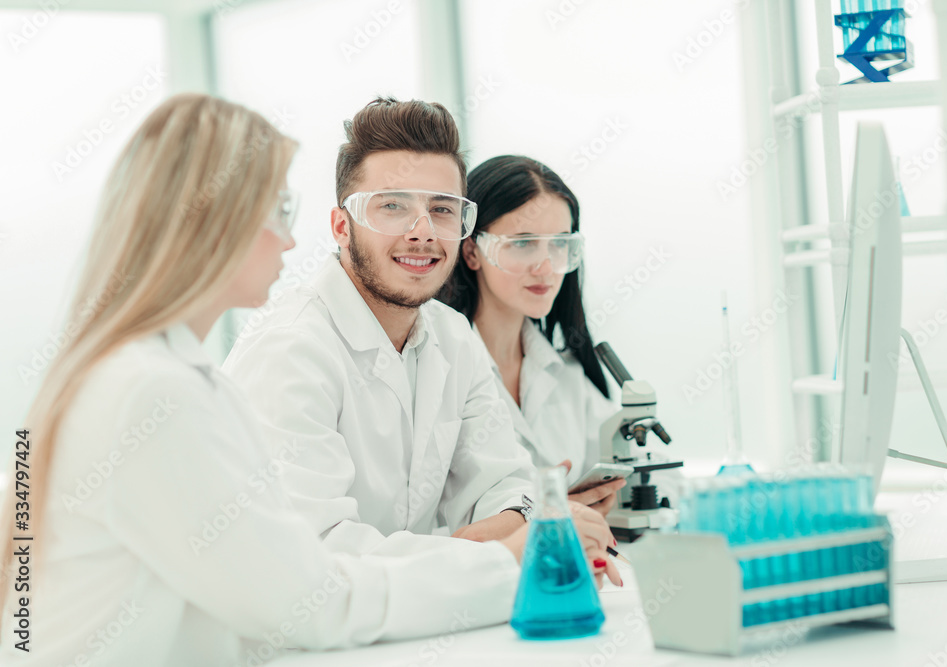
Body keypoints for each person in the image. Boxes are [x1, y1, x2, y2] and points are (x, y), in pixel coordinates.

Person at [0, 95, 618, 666]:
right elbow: (313, 590)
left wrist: (510, 536)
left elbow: (502, 488)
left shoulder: (157, 375)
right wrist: (509, 558)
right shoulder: (164, 389)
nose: (289, 237)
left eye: (441, 209)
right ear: (210, 224)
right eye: (277, 209)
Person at [223, 98, 620, 555]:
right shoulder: (290, 351)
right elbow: (321, 558)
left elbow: (511, 487)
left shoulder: (452, 338)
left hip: (425, 619)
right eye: (392, 206)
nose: (423, 231)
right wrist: (501, 550)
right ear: (341, 227)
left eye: (443, 209)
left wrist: (498, 538)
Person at [439, 155, 623, 515]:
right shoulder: (440, 368)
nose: (546, 267)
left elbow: (649, 475)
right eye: (523, 243)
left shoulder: (566, 375)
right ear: (472, 251)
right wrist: (541, 512)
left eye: (559, 244)